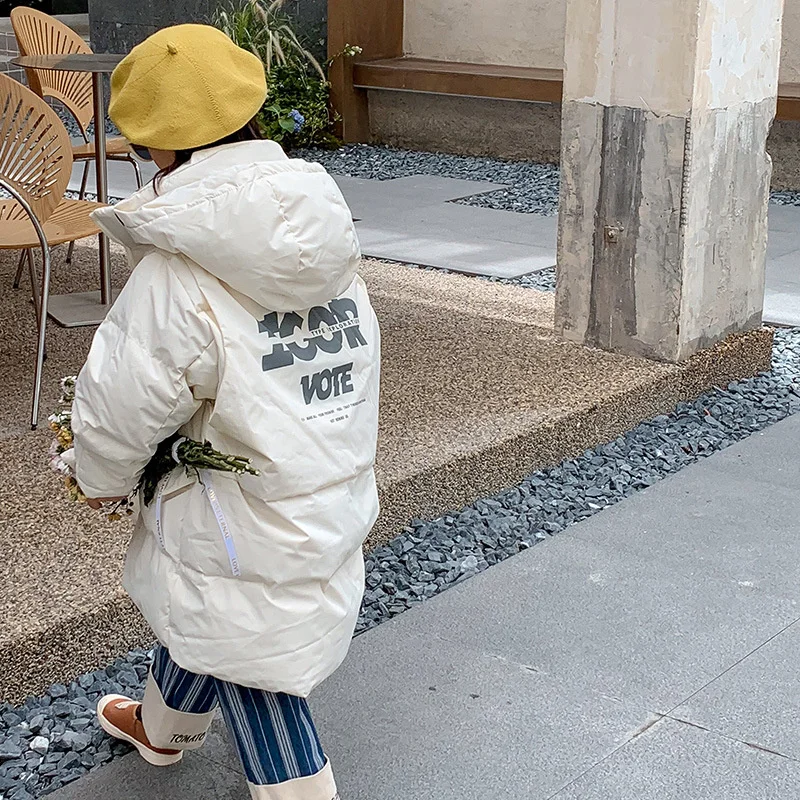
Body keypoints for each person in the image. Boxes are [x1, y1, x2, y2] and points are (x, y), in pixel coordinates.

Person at [69, 23, 381, 800]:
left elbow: (123, 401)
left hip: (236, 506)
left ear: (157, 145)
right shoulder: (325, 238)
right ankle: (164, 729)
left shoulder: (179, 273)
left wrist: (96, 476)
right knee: (211, 607)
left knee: (248, 648)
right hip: (323, 477)